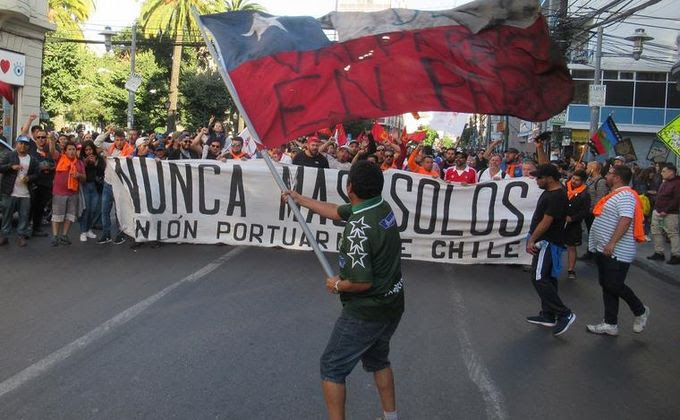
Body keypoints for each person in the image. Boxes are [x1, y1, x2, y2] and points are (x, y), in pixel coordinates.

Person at [282, 160, 404, 420]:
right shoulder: (380, 207)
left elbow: (361, 282)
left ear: (350, 188)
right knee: (378, 361)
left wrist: (337, 284)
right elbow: (337, 211)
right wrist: (299, 199)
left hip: (367, 312)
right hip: (392, 303)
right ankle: (391, 416)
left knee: (332, 367)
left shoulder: (358, 230)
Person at [586, 165, 649, 336]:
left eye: (609, 173)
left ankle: (640, 310)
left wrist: (612, 242)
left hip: (618, 251)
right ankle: (610, 323)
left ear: (618, 177)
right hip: (604, 249)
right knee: (607, 286)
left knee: (614, 284)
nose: (606, 176)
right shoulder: (615, 194)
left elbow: (626, 219)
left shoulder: (626, 195)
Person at [525, 164, 575, 336]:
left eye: (540, 177)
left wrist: (532, 239)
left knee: (538, 277)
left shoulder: (556, 196)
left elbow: (546, 222)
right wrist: (539, 147)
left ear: (550, 178)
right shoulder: (553, 191)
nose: (536, 180)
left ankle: (564, 313)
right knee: (547, 277)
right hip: (546, 241)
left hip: (547, 242)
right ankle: (548, 314)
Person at [0, 135, 39, 247]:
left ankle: (21, 236)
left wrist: (29, 178)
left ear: (28, 146)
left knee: (24, 215)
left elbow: (37, 174)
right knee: (7, 215)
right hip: (9, 191)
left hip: (25, 193)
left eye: (25, 144)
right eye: (20, 143)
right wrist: (10, 167)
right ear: (16, 144)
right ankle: (4, 236)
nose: (23, 146)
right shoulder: (9, 155)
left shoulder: (32, 159)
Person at [48, 137, 86, 247]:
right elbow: (52, 151)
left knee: (70, 216)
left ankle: (64, 235)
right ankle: (55, 236)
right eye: (69, 149)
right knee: (57, 215)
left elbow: (84, 178)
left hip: (73, 193)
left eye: (73, 149)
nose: (72, 151)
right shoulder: (60, 158)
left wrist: (78, 175)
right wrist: (52, 141)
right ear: (65, 151)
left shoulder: (79, 163)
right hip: (59, 192)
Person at [98, 129, 133, 245]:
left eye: (121, 140)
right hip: (108, 183)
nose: (119, 142)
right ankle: (106, 233)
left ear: (125, 139)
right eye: (117, 140)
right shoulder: (110, 146)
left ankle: (121, 233)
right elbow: (96, 143)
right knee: (105, 210)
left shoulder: (130, 150)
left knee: (120, 211)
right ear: (114, 139)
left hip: (121, 185)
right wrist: (107, 133)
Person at [647, 163, 680, 264]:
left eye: (664, 171)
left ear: (671, 172)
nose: (661, 173)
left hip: (670, 213)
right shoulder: (665, 182)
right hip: (657, 211)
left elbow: (676, 199)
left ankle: (676, 255)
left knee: (672, 233)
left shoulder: (677, 183)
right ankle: (659, 253)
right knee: (656, 232)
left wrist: (666, 210)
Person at [564, 170, 590, 279]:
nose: (574, 181)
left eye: (577, 180)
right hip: (560, 221)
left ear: (582, 181)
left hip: (573, 224)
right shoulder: (564, 187)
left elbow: (584, 211)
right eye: (573, 178)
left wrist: (573, 218)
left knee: (571, 247)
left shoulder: (584, 194)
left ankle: (571, 269)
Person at [580, 161, 609, 260]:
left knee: (595, 232)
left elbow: (600, 198)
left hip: (593, 212)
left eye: (588, 167)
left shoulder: (601, 181)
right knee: (590, 232)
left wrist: (593, 209)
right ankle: (590, 250)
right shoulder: (589, 179)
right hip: (587, 210)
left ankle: (595, 252)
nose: (586, 169)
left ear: (593, 168)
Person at [28, 128, 55, 237]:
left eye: (43, 137)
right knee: (30, 208)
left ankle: (36, 228)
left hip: (46, 184)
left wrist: (50, 167)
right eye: (38, 137)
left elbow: (54, 163)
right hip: (34, 184)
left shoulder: (50, 151)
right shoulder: (31, 151)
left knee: (40, 208)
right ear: (35, 138)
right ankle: (25, 230)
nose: (41, 139)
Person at [79, 141, 105, 241]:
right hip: (85, 186)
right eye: (86, 150)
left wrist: (95, 163)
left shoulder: (98, 158)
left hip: (95, 186)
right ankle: (83, 231)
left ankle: (89, 229)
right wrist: (84, 163)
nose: (89, 152)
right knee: (86, 209)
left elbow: (102, 171)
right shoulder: (81, 159)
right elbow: (79, 171)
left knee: (94, 209)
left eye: (90, 149)